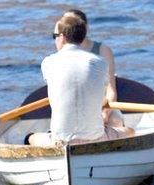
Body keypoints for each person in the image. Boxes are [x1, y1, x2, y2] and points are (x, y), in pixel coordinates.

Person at [27, 13, 133, 147]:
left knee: (31, 138)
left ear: (62, 37)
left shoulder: (47, 63)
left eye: (54, 37)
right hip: (96, 138)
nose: (55, 41)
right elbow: (102, 97)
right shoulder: (100, 62)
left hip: (60, 141)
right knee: (130, 131)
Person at [65, 8, 124, 129]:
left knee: (115, 122)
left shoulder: (103, 50)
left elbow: (111, 90)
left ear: (85, 28)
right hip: (75, 108)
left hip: (103, 105)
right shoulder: (62, 52)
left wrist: (105, 112)